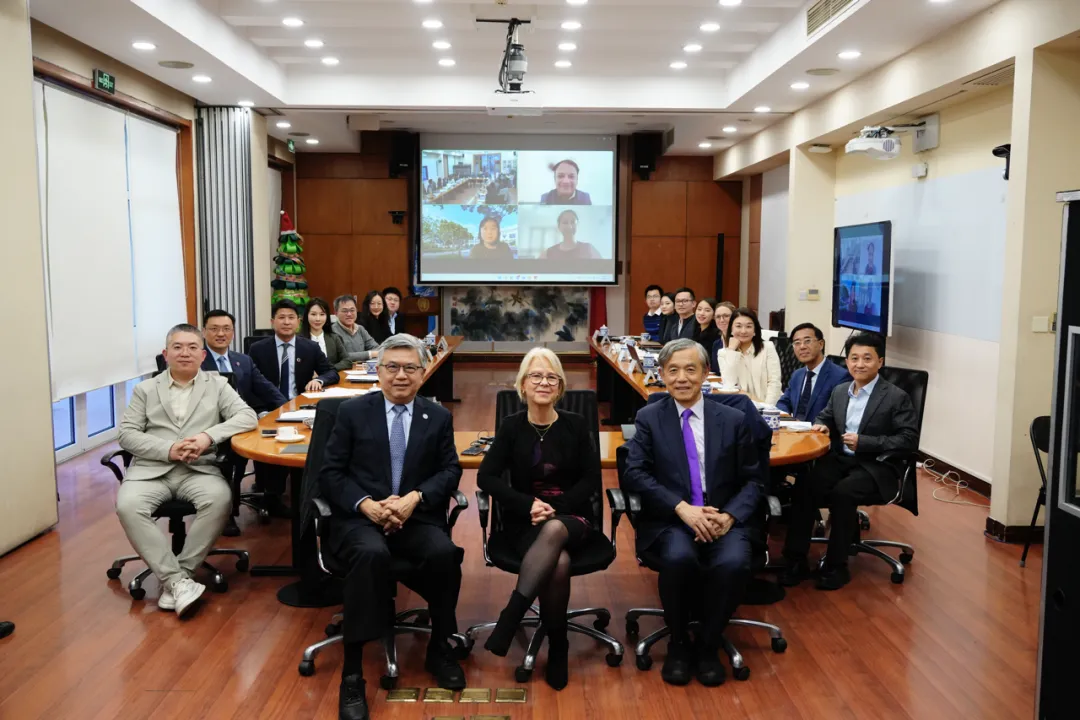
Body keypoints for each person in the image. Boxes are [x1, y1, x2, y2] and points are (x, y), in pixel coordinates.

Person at [319, 334, 466, 720]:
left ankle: (440, 646)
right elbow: (329, 473)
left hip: (413, 516)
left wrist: (414, 498)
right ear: (378, 371)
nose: (401, 376)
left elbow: (450, 470)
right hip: (360, 518)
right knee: (370, 554)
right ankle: (352, 673)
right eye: (392, 367)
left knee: (445, 553)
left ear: (423, 373)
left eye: (410, 368)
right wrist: (367, 505)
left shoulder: (438, 417)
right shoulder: (352, 413)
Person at [622, 338, 762, 687]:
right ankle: (679, 644)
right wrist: (682, 508)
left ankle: (708, 645)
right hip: (673, 520)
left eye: (690, 369)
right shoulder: (649, 417)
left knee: (733, 563)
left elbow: (755, 480)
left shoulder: (733, 419)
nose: (681, 378)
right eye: (673, 370)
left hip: (723, 519)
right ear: (662, 375)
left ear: (705, 374)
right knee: (679, 559)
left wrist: (728, 516)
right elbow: (634, 472)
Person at [477, 349, 603, 690]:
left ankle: (512, 616)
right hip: (524, 522)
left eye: (552, 377)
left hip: (573, 517)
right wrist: (526, 504)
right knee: (558, 563)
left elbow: (591, 479)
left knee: (557, 528)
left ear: (560, 386)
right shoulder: (510, 427)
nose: (544, 382)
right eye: (536, 376)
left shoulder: (575, 425)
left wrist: (556, 505)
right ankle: (558, 646)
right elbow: (485, 478)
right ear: (523, 384)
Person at [116, 324, 257, 616]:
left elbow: (247, 416)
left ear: (202, 355)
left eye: (192, 347)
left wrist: (207, 437)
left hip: (199, 469)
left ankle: (177, 577)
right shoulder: (144, 389)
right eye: (177, 347)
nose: (185, 353)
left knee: (219, 500)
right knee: (128, 506)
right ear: (166, 354)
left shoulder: (217, 385)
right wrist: (167, 449)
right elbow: (127, 434)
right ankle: (178, 582)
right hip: (152, 469)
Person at [779, 332, 919, 591]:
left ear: (880, 362)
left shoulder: (895, 396)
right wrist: (822, 426)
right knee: (805, 484)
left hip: (877, 465)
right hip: (842, 460)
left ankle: (836, 566)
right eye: (854, 358)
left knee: (844, 493)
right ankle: (795, 560)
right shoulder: (841, 391)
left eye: (867, 358)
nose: (859, 364)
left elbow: (908, 439)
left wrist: (865, 441)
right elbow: (825, 416)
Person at [201, 309, 288, 534]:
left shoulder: (242, 360)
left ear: (233, 332)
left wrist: (289, 409)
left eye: (226, 329)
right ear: (204, 331)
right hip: (209, 427)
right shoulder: (196, 361)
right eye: (214, 329)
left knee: (279, 439)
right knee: (231, 455)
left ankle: (271, 497)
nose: (221, 334)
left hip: (244, 423)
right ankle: (226, 513)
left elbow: (266, 389)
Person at [775, 323, 851, 422]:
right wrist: (787, 419)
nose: (802, 347)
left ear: (821, 344)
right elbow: (784, 402)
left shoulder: (840, 376)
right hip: (793, 432)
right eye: (797, 343)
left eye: (807, 341)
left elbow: (836, 416)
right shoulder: (797, 375)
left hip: (819, 434)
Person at [718, 308, 782, 406]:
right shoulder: (723, 353)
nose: (743, 331)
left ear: (755, 330)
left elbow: (774, 383)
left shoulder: (767, 348)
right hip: (741, 408)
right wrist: (731, 351)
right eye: (738, 326)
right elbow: (729, 384)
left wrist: (767, 408)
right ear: (731, 329)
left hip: (769, 407)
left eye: (748, 326)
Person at [300, 298, 352, 371]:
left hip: (330, 380)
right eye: (313, 314)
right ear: (306, 315)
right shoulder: (298, 339)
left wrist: (328, 370)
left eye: (322, 314)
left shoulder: (334, 338)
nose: (318, 319)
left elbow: (347, 361)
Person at [332, 295, 381, 363]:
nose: (349, 314)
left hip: (362, 369)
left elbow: (377, 348)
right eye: (345, 311)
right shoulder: (333, 331)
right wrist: (370, 354)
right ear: (336, 313)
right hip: (342, 371)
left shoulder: (360, 328)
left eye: (352, 310)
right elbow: (341, 356)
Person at [710, 301, 736, 375]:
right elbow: (716, 371)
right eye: (718, 317)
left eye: (726, 316)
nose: (721, 320)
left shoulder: (741, 341)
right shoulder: (716, 344)